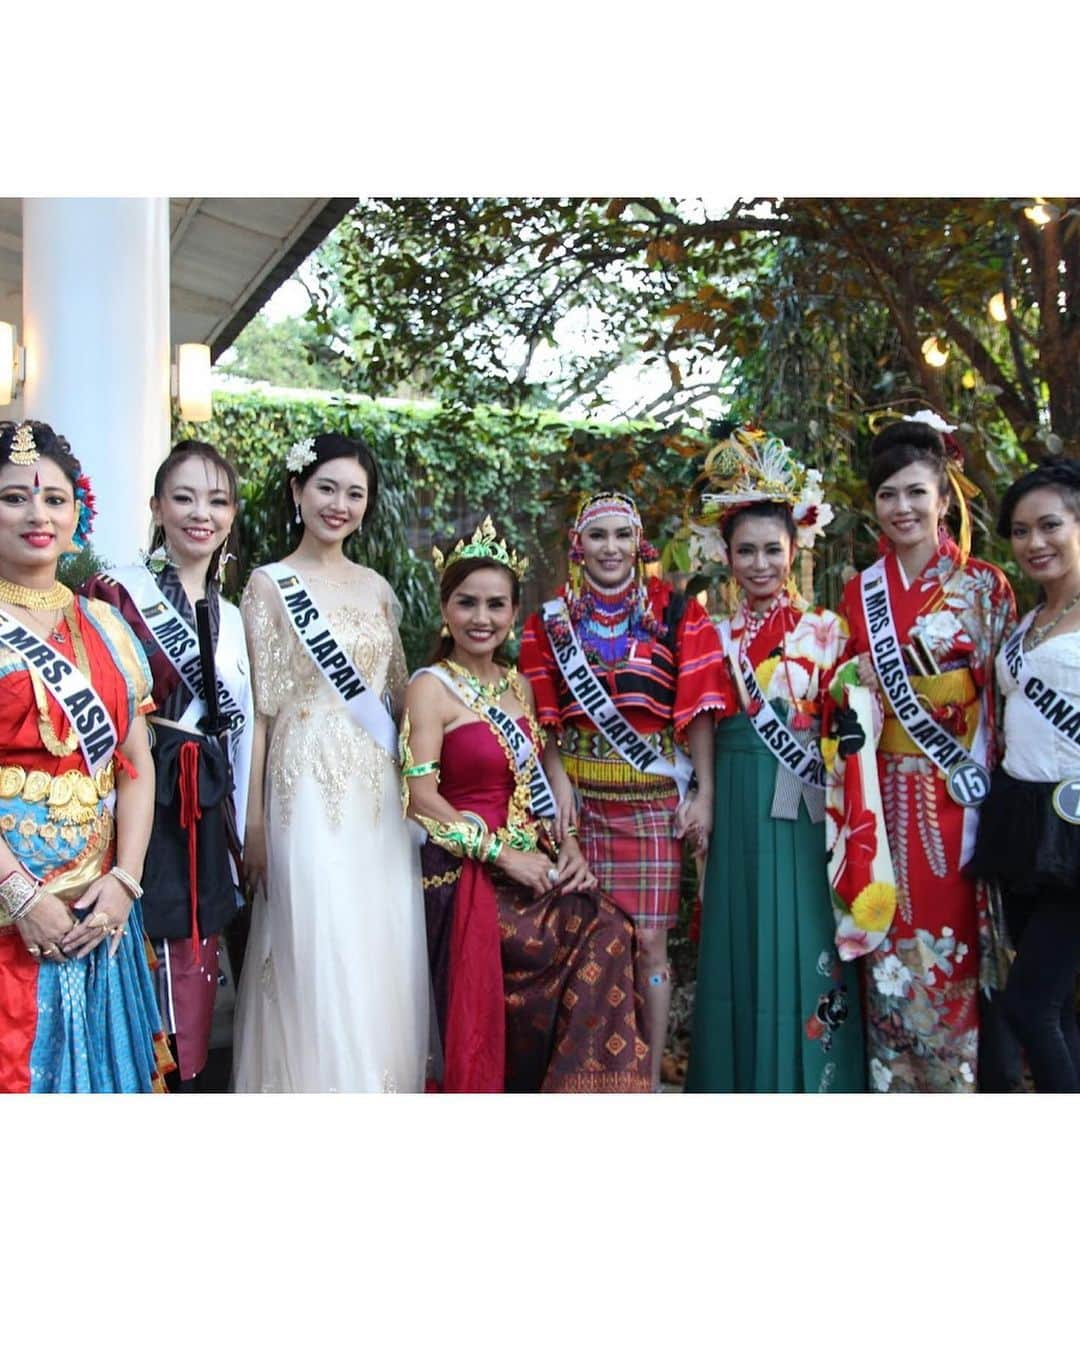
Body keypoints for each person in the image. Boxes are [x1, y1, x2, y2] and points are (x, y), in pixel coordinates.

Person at [403, 518, 650, 1092]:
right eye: (467, 603)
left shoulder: (520, 686)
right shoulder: (431, 687)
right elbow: (418, 799)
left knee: (609, 926)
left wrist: (568, 851)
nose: (481, 618)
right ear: (445, 607)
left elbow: (538, 783)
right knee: (567, 940)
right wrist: (505, 858)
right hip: (466, 870)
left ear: (514, 613)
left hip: (531, 859)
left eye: (496, 605)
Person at [231, 432, 427, 1092]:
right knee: (315, 934)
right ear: (296, 491)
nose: (339, 504)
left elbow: (398, 694)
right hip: (302, 780)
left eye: (355, 494)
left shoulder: (377, 589)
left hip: (376, 781)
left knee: (378, 934)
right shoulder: (267, 585)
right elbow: (262, 711)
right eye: (326, 488)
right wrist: (254, 820)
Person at [518, 491, 725, 1089]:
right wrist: (558, 791)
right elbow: (543, 717)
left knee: (651, 944)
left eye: (622, 536)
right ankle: (593, 1071)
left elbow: (700, 710)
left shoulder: (679, 614)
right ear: (578, 546)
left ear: (640, 544)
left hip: (652, 805)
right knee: (583, 944)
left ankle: (652, 1078)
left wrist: (703, 795)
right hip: (580, 807)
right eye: (598, 536)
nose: (610, 548)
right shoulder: (550, 621)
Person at [684, 426, 865, 1092]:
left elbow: (847, 730)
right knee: (737, 936)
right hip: (733, 790)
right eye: (746, 552)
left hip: (801, 799)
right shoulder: (712, 632)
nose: (760, 565)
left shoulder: (827, 631)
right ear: (726, 556)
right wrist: (702, 792)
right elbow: (698, 719)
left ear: (796, 551)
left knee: (799, 930)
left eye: (772, 551)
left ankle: (809, 1080)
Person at [840, 411, 1015, 1092]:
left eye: (917, 492)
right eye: (888, 495)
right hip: (881, 794)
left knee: (954, 945)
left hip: (957, 793)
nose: (902, 507)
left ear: (944, 497)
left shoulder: (984, 586)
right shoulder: (862, 591)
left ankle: (958, 1087)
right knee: (884, 937)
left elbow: (1001, 699)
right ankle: (893, 1084)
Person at [0, 419, 171, 1092]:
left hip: (100, 914)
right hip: (13, 912)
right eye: (13, 497)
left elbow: (135, 765)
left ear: (79, 512)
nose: (37, 514)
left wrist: (124, 883)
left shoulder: (105, 624)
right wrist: (20, 896)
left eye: (54, 499)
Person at [82, 440, 253, 1089]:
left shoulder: (233, 618)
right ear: (157, 507)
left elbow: (239, 731)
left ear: (233, 514)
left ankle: (189, 1076)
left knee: (195, 952)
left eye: (215, 500)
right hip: (136, 796)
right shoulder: (114, 594)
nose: (199, 513)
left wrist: (243, 830)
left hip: (204, 805)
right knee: (136, 941)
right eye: (183, 497)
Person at [971, 460, 1080, 1091]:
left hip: (1073, 825)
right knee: (1056, 1005)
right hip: (1020, 817)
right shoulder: (1027, 620)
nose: (1034, 543)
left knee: (1030, 1004)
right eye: (1019, 531)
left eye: (1049, 526)